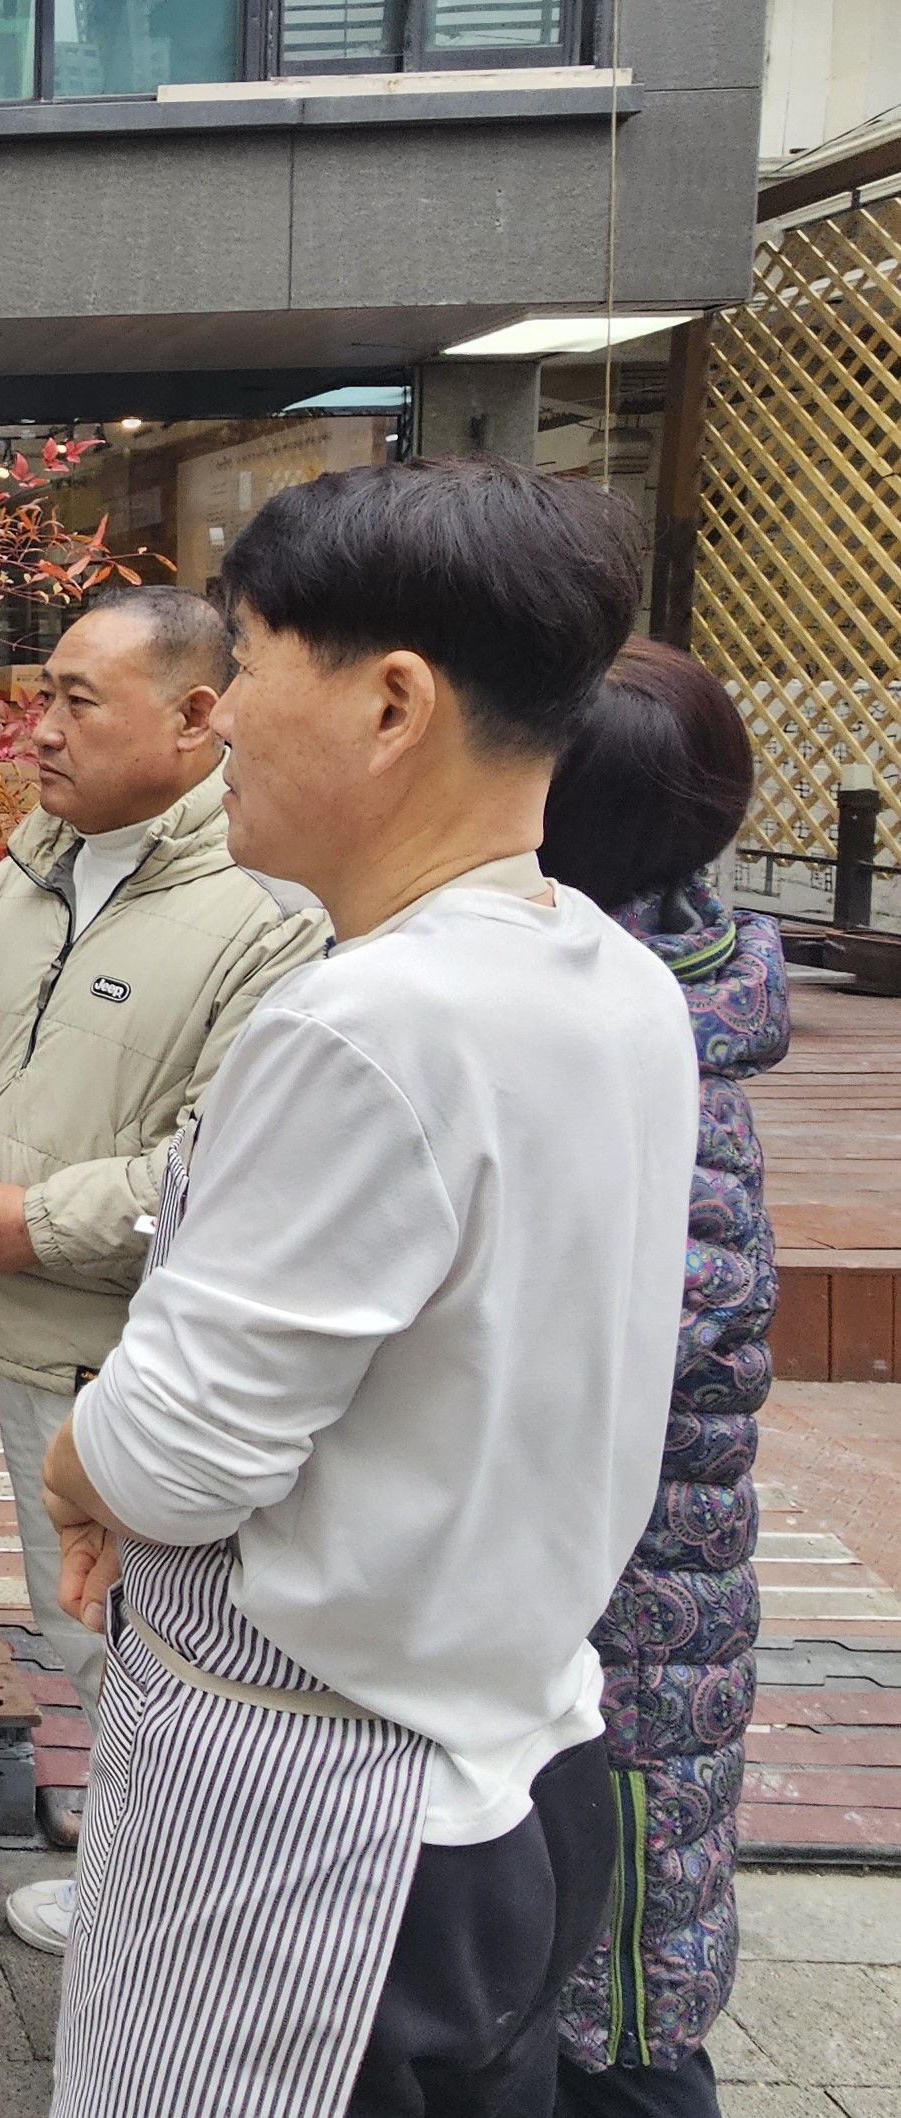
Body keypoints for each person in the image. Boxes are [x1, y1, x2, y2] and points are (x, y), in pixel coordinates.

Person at [36, 458, 698, 2117]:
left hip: (324, 1825)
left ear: (394, 702)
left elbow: (183, 1449)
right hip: (522, 1763)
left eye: (250, 662)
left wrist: (77, 1463)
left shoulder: (370, 1022)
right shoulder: (609, 975)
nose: (227, 715)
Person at [0, 585, 326, 1907]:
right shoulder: (35, 868)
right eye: (43, 695)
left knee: (173, 1641)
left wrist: (30, 1220)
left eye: (80, 699)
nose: (41, 728)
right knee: (80, 1624)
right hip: (31, 1346)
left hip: (143, 1354)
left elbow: (231, 1157)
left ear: (200, 715)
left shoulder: (272, 913)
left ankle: (186, 1903)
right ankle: (141, 1883)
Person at [545, 641, 788, 2118]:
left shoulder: (646, 1049)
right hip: (597, 1618)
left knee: (626, 1999)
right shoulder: (651, 986)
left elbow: (615, 1342)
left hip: (633, 1638)